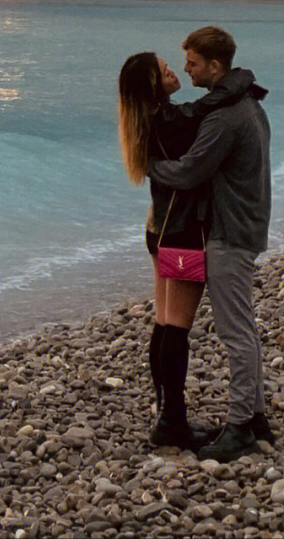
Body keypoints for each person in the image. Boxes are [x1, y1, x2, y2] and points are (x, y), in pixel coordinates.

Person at [118, 51, 258, 448]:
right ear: (151, 86)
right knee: (176, 328)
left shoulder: (152, 121)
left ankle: (166, 412)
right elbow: (205, 106)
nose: (171, 70)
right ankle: (172, 423)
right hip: (179, 233)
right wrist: (238, 79)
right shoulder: (168, 121)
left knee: (164, 323)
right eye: (161, 70)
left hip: (159, 228)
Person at [148, 25, 272, 461]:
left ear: (215, 66)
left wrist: (149, 165)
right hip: (247, 225)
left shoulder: (226, 116)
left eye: (193, 62)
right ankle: (255, 417)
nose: (185, 68)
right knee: (245, 329)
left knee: (236, 332)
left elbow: (189, 172)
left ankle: (240, 426)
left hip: (229, 232)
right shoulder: (249, 102)